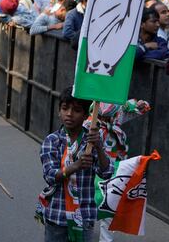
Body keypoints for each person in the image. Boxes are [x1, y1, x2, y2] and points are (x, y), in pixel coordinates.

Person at [38, 87, 113, 242]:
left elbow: (107, 173)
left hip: (84, 216)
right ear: (59, 111)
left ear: (86, 115)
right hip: (57, 215)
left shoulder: (91, 141)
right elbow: (51, 176)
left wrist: (98, 146)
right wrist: (76, 166)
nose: (69, 114)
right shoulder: (52, 141)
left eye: (77, 110)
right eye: (65, 109)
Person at [84, 99, 151, 242]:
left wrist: (137, 104)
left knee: (109, 207)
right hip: (93, 171)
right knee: (89, 204)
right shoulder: (88, 124)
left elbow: (143, 108)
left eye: (109, 117)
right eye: (101, 117)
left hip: (114, 170)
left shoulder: (118, 116)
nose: (105, 120)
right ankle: (84, 233)